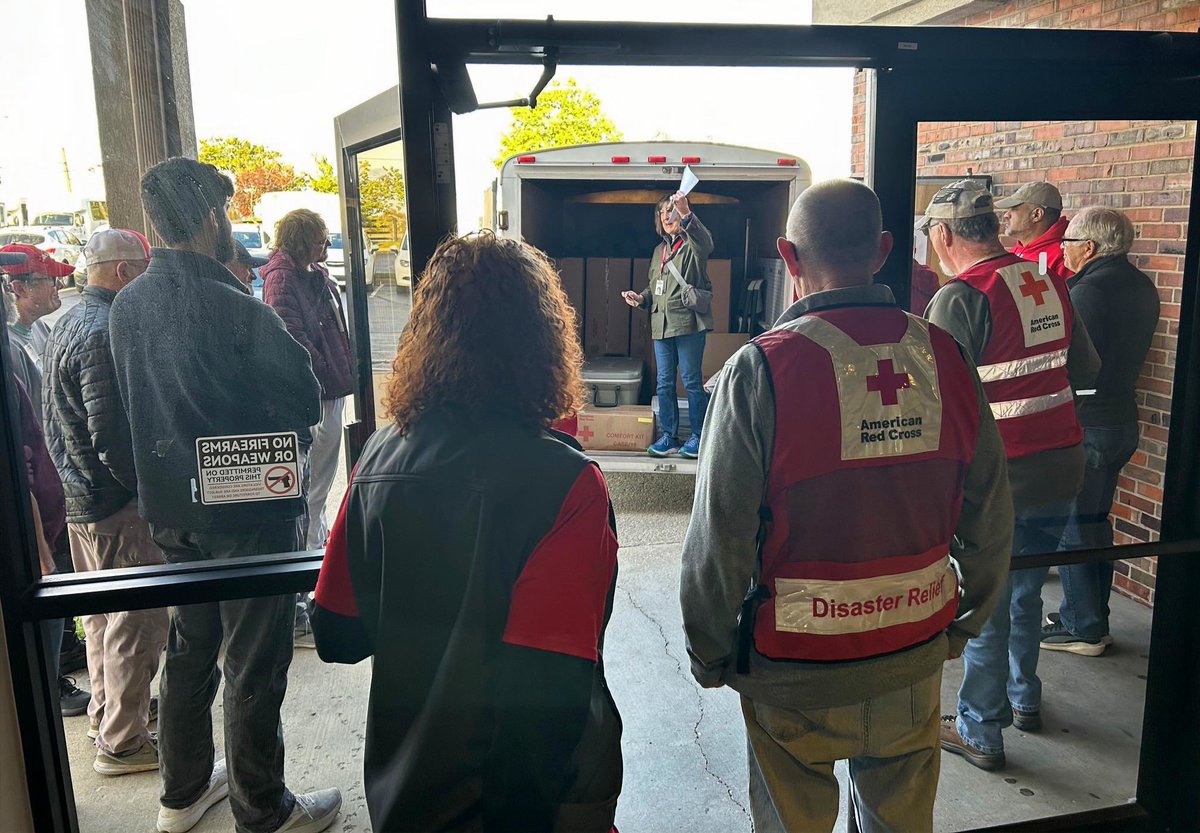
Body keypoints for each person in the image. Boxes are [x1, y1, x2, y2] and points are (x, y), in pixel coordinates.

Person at [681, 180, 1013, 833]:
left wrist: (710, 650)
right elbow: (992, 511)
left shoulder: (762, 371)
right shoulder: (944, 356)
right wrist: (965, 625)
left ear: (788, 256)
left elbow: (719, 535)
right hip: (911, 658)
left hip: (792, 671)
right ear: (887, 248)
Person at [312, 232, 623, 832]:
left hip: (404, 796)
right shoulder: (565, 484)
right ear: (544, 343)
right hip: (508, 809)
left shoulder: (378, 458)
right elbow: (548, 696)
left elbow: (337, 633)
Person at [108, 157, 339, 833]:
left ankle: (180, 795)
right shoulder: (236, 308)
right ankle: (263, 809)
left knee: (189, 648)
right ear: (212, 218)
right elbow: (303, 398)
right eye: (226, 212)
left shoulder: (128, 306)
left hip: (171, 514)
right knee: (253, 661)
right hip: (249, 519)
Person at [921, 179, 1099, 771]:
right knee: (1025, 590)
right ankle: (1025, 698)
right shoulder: (1045, 279)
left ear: (943, 234)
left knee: (987, 600)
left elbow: (933, 399)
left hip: (1001, 478)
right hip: (1063, 466)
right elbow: (1087, 366)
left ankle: (979, 726)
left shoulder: (960, 297)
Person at [42, 228, 169, 776]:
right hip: (114, 503)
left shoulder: (68, 320)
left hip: (81, 499)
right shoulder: (104, 328)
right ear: (123, 273)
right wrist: (149, 492)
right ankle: (123, 741)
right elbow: (112, 435)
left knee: (101, 618)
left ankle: (110, 713)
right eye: (143, 268)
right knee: (137, 622)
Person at [1042, 206, 1160, 656]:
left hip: (1090, 423)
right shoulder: (1139, 284)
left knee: (1075, 526)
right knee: (1094, 524)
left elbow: (1076, 365)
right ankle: (1088, 613)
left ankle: (1084, 627)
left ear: (1088, 247)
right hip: (1119, 421)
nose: (1063, 250)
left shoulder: (1088, 291)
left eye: (1068, 243)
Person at [2, 248, 91, 718]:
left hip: (56, 482)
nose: (58, 288)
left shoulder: (37, 331)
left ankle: (61, 662)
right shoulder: (8, 349)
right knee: (45, 579)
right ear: (17, 289)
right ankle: (49, 682)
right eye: (47, 281)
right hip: (33, 491)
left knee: (62, 577)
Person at [260, 209, 352, 553]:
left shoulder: (308, 272)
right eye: (319, 240)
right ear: (300, 240)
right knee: (314, 475)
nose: (325, 248)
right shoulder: (282, 278)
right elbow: (290, 336)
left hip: (328, 386)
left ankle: (317, 538)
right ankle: (311, 548)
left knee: (322, 474)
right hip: (317, 390)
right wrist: (326, 370)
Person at [622, 192, 714, 459]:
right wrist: (640, 298)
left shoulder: (692, 245)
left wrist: (686, 213)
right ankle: (670, 437)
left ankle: (698, 436)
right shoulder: (658, 251)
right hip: (660, 325)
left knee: (691, 381)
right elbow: (655, 288)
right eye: (662, 212)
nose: (666, 216)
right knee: (663, 383)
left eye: (671, 211)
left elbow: (706, 243)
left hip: (688, 324)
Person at [2, 243, 71, 423]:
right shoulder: (8, 347)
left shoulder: (39, 326)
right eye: (52, 280)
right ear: (20, 289)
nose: (61, 286)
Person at [995, 181, 1073, 281]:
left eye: (1014, 208)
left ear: (1036, 215)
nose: (1006, 215)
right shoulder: (1014, 251)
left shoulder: (1064, 256)